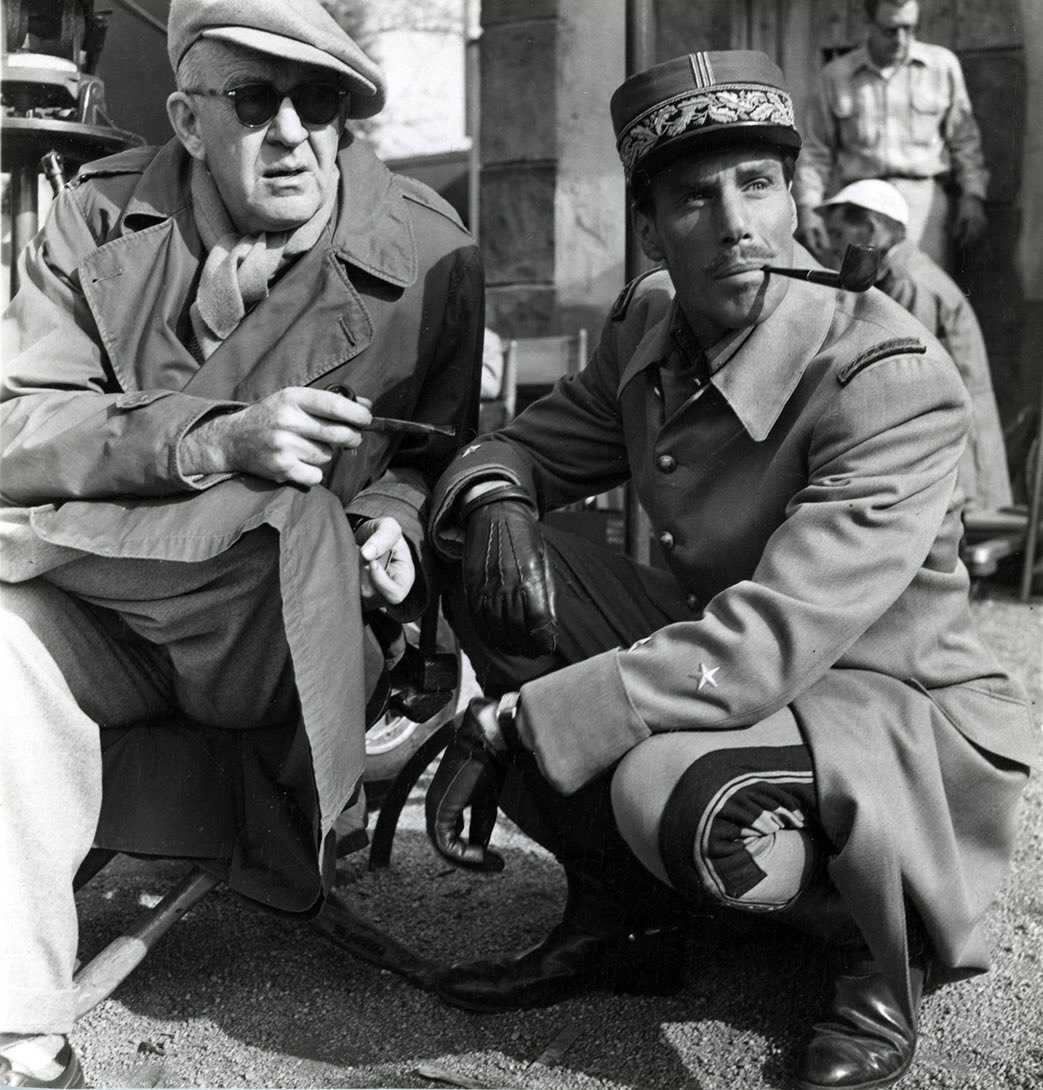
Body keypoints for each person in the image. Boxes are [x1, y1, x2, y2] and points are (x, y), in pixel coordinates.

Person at [421, 49, 1036, 1090]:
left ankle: (878, 954)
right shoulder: (647, 324)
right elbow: (526, 446)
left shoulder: (880, 375)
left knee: (670, 792)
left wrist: (522, 718)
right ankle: (625, 917)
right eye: (694, 196)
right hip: (723, 645)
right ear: (650, 230)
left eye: (757, 182)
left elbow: (769, 642)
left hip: (885, 704)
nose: (735, 221)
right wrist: (490, 500)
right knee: (490, 555)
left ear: (795, 194)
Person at [0, 0, 482, 1084]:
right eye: (255, 100)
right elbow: (14, 427)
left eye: (322, 104)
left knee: (277, 528)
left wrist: (396, 521)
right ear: (184, 115)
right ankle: (18, 1033)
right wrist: (212, 438)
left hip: (289, 635)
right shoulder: (90, 221)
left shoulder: (430, 249)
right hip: (113, 614)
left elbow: (443, 451)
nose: (294, 133)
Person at [819, 178, 1011, 512]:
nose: (834, 247)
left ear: (870, 228)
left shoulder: (908, 282)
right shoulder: (904, 271)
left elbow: (906, 373)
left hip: (952, 436)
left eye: (838, 234)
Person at [795, 0, 988, 270]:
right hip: (858, 206)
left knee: (919, 287)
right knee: (859, 294)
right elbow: (815, 151)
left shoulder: (942, 67)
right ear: (868, 25)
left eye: (909, 29)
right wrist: (808, 208)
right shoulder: (835, 76)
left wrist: (973, 196)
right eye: (890, 30)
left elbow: (965, 140)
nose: (901, 39)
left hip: (922, 204)